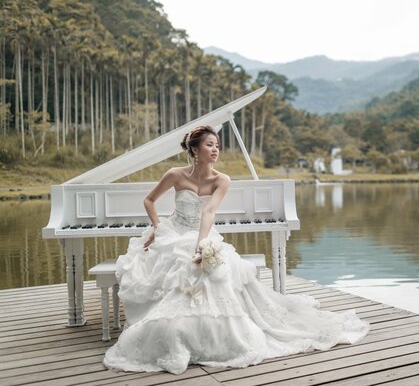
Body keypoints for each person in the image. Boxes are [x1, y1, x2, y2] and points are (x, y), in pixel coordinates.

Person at [103, 125, 369, 374]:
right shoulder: (174, 174)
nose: (216, 149)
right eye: (209, 145)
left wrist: (201, 246)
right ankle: (174, 332)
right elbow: (149, 200)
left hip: (203, 234)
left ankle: (211, 334)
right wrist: (156, 227)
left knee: (214, 270)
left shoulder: (223, 180)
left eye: (217, 145)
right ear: (195, 149)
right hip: (173, 230)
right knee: (172, 265)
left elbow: (208, 211)